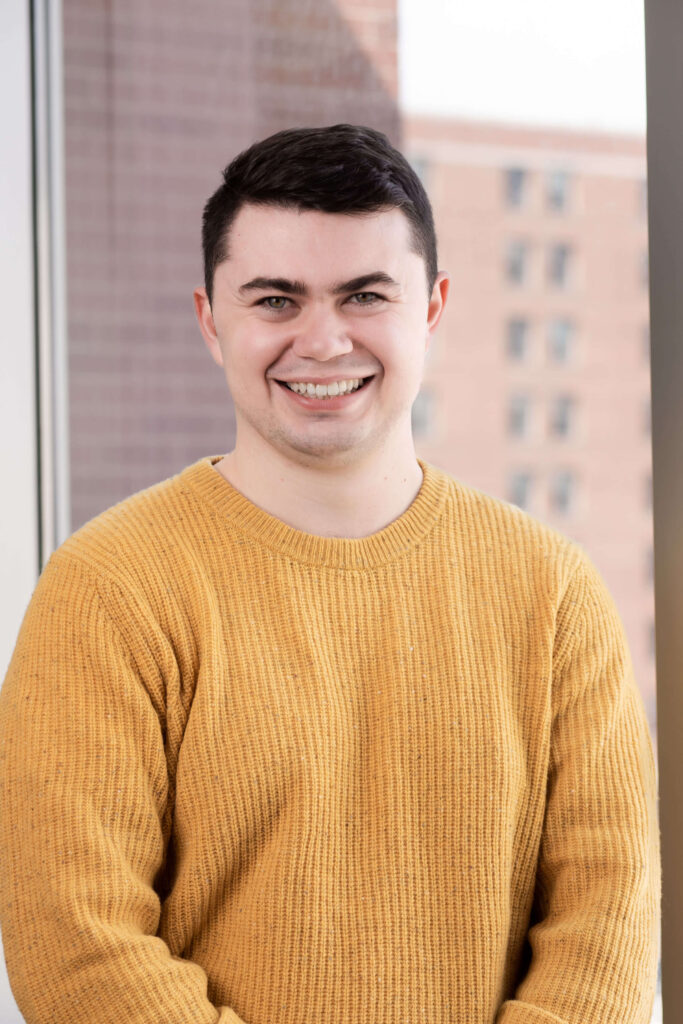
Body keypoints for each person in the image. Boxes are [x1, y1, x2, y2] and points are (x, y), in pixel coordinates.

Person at [0, 124, 659, 1024]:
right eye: (275, 300)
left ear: (430, 308)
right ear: (210, 320)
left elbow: (608, 929)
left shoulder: (554, 593)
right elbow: (75, 946)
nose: (322, 340)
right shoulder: (109, 588)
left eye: (364, 296)